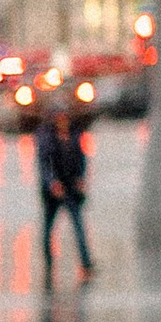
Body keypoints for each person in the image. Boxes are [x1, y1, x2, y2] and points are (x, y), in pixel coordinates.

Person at [34, 96, 94, 281]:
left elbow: (81, 158)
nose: (62, 121)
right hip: (53, 191)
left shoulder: (75, 134)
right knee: (48, 228)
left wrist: (80, 179)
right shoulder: (46, 137)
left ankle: (86, 263)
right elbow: (44, 163)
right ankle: (48, 262)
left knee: (78, 226)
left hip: (70, 188)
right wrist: (52, 183)